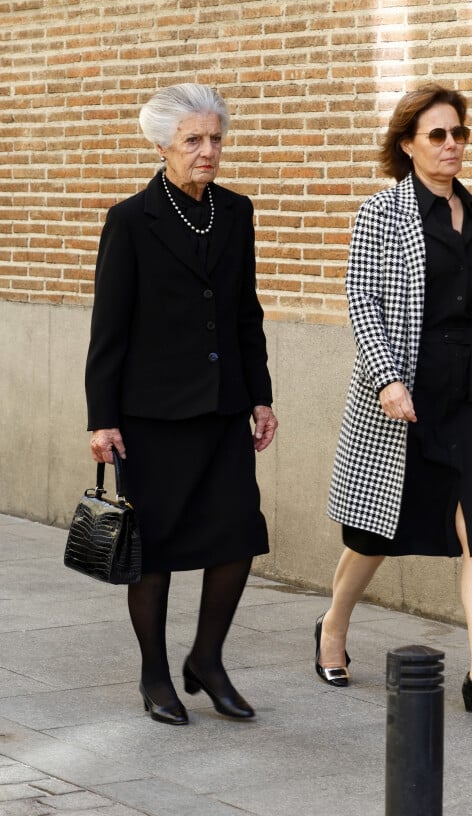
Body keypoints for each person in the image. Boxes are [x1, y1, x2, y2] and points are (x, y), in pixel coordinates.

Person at [321, 83, 472, 724]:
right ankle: (333, 625)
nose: (452, 145)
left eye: (459, 133)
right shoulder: (380, 213)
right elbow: (363, 302)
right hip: (406, 388)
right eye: (437, 135)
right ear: (407, 144)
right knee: (374, 531)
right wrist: (386, 378)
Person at [85, 83, 278, 726]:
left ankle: (207, 658)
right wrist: (102, 418)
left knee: (237, 536)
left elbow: (244, 313)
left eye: (215, 138)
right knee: (157, 550)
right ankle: (154, 673)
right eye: (194, 140)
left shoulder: (236, 211)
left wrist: (261, 396)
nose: (208, 151)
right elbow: (108, 330)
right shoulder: (131, 220)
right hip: (151, 416)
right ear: (163, 144)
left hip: (223, 409)